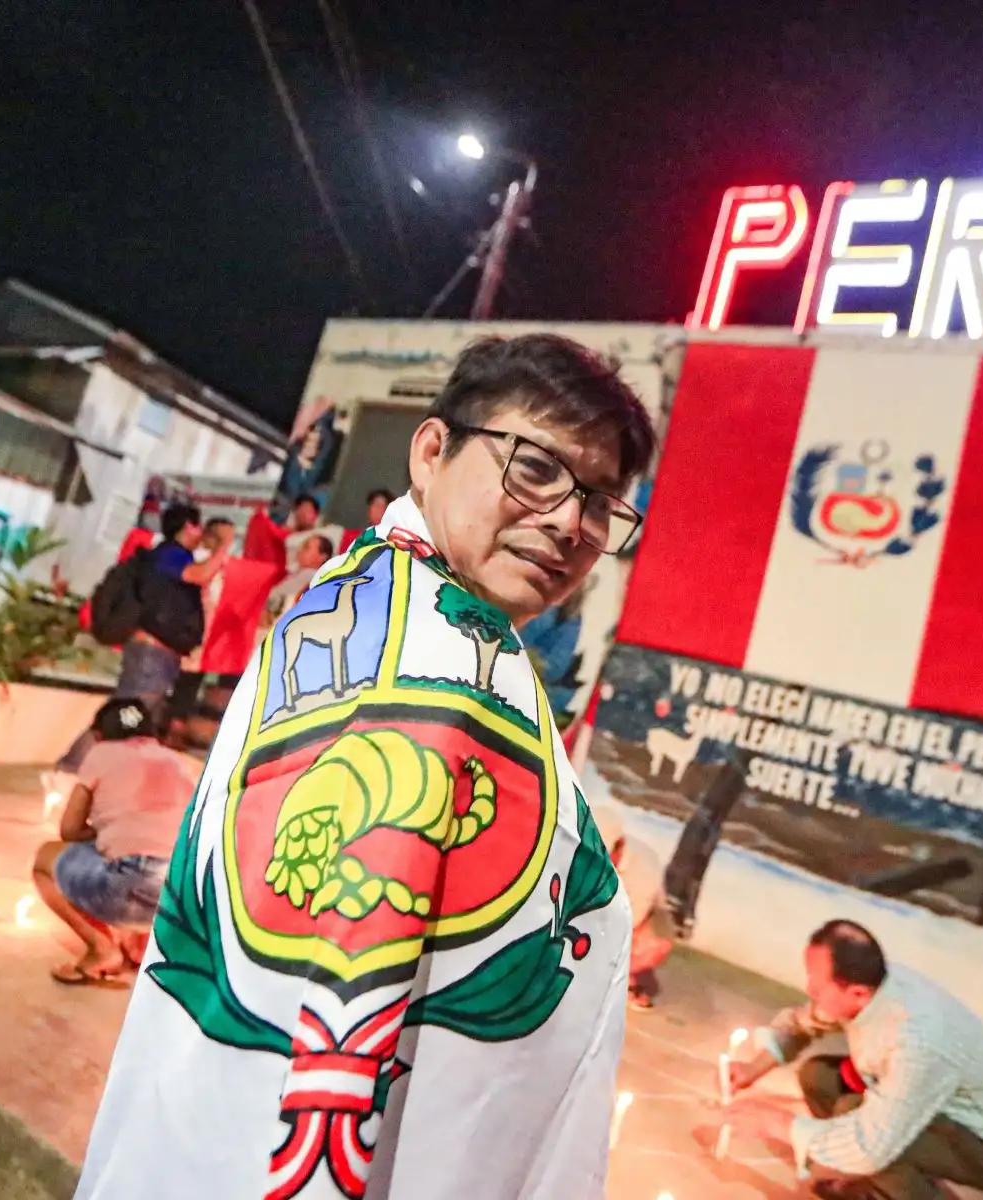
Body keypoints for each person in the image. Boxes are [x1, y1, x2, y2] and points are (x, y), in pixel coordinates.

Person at [77, 333, 657, 1199]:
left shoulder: (376, 595)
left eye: (601, 502)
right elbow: (345, 1005)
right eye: (535, 468)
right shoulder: (430, 667)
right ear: (432, 451)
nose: (572, 522)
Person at [724, 920, 983, 1200]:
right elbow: (805, 1023)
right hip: (929, 1105)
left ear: (857, 993)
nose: (809, 990)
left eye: (818, 986)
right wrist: (753, 1068)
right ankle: (859, 1180)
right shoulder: (872, 986)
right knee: (818, 1077)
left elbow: (871, 1144)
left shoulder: (917, 1041)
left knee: (856, 1121)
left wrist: (778, 1123)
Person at [54, 502, 230, 777]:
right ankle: (70, 767)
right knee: (123, 712)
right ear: (187, 528)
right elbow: (201, 574)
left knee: (132, 716)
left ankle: (87, 770)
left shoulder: (170, 558)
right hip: (151, 654)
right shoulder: (170, 554)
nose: (200, 533)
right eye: (197, 526)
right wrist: (224, 545)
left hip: (157, 655)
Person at [34, 698, 201, 986]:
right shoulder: (176, 761)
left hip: (132, 881)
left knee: (47, 858)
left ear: (98, 735)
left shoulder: (100, 754)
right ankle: (143, 942)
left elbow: (70, 829)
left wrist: (111, 829)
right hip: (184, 895)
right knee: (145, 859)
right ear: (153, 734)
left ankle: (101, 949)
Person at [593, 803, 674, 1011]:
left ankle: (631, 979)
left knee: (650, 942)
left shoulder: (643, 867)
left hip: (636, 925)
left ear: (618, 845)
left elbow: (626, 924)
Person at [170, 517, 239, 736]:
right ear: (208, 537)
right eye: (222, 539)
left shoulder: (229, 565)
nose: (227, 544)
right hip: (183, 628)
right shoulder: (194, 559)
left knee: (191, 680)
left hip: (207, 634)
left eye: (230, 539)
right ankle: (169, 724)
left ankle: (176, 725)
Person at [264, 531, 334, 621]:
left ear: (322, 557)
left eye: (306, 547)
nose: (300, 550)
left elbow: (274, 599)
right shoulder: (298, 572)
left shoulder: (310, 576)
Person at [339, 487, 396, 553]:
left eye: (383, 506)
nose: (379, 510)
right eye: (376, 505)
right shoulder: (350, 537)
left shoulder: (392, 543)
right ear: (369, 509)